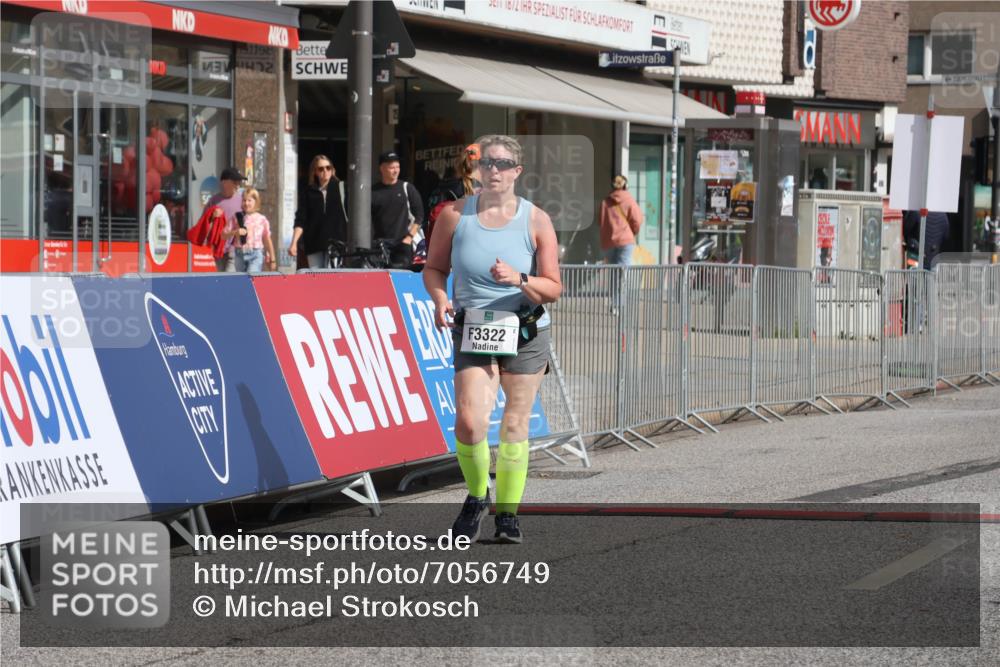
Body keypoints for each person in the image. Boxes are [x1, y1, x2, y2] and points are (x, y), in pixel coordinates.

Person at [424, 134, 562, 544]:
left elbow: (554, 286)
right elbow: (433, 268)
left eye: (503, 164)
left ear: (517, 172)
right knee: (469, 422)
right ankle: (477, 494)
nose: (494, 170)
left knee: (516, 423)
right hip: (475, 327)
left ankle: (507, 515)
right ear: (477, 169)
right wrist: (440, 298)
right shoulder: (454, 215)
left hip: (524, 329)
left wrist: (519, 278)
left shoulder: (536, 219)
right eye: (487, 163)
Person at [289, 155, 348, 269]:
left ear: (332, 169)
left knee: (332, 279)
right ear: (315, 171)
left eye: (328, 167)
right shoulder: (308, 192)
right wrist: (294, 242)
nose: (325, 171)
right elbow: (301, 219)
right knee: (315, 279)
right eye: (321, 169)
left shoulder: (342, 188)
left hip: (335, 244)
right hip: (313, 243)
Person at [372, 151, 424, 268]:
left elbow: (419, 215)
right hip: (380, 246)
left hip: (403, 244)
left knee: (403, 279)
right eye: (391, 167)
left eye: (397, 167)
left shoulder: (407, 188)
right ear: (382, 168)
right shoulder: (373, 192)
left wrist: (409, 238)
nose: (395, 171)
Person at [202, 167, 245, 272]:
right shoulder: (214, 201)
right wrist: (212, 216)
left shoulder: (242, 200)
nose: (238, 185)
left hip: (235, 249)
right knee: (221, 278)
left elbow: (248, 220)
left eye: (239, 182)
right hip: (219, 248)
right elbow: (204, 221)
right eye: (235, 182)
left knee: (230, 277)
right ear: (224, 183)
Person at [224, 187, 275, 273]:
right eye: (244, 200)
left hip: (256, 254)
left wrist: (273, 259)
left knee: (251, 277)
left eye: (249, 200)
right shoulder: (236, 217)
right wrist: (235, 232)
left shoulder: (262, 219)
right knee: (241, 281)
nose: (246, 203)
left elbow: (267, 239)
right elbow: (223, 235)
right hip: (239, 253)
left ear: (256, 202)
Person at [598, 174, 643, 266]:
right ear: (625, 186)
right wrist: (632, 232)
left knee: (612, 271)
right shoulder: (629, 200)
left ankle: (615, 281)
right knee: (623, 271)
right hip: (625, 240)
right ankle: (622, 281)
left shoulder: (605, 202)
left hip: (609, 241)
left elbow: (600, 222)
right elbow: (637, 220)